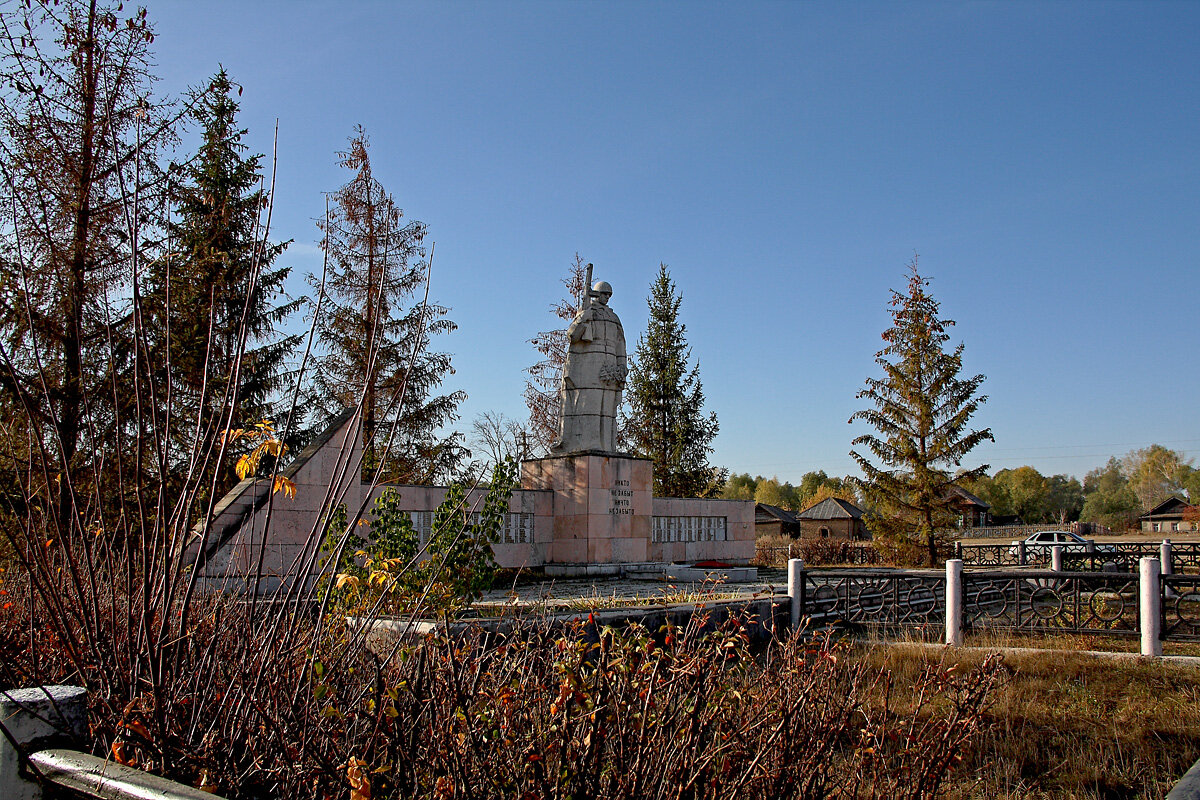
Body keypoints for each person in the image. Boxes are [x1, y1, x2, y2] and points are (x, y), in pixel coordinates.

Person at [551, 280, 626, 453]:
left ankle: (607, 445)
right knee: (590, 404)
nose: (607, 297)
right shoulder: (588, 312)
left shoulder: (614, 318)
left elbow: (621, 343)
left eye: (609, 294)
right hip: (590, 362)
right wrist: (583, 317)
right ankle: (589, 444)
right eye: (604, 294)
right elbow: (572, 336)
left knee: (607, 406)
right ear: (596, 294)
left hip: (611, 364)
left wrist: (622, 366)